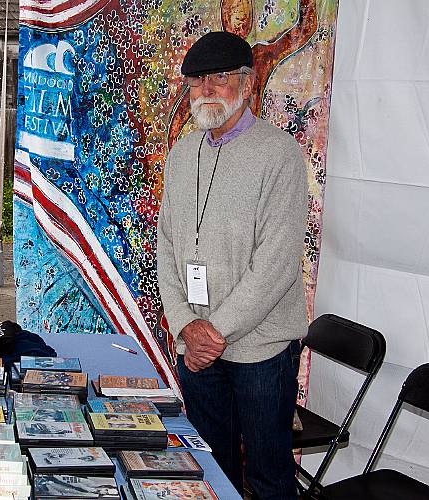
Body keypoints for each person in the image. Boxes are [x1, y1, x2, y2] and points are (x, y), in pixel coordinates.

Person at [156, 31, 308, 499]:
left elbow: (277, 263)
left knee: (267, 476)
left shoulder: (279, 155)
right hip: (197, 348)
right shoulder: (182, 155)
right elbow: (166, 246)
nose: (205, 90)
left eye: (218, 78)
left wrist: (213, 331)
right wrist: (186, 325)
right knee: (209, 470)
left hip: (260, 349)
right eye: (197, 81)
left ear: (247, 81)